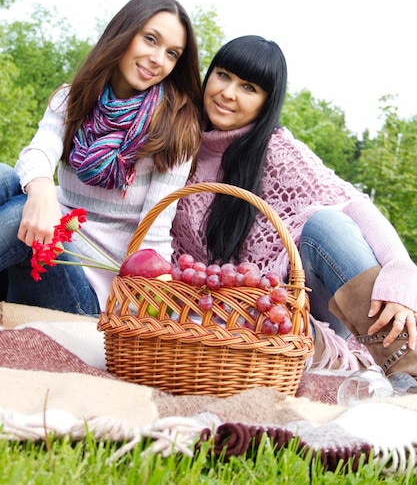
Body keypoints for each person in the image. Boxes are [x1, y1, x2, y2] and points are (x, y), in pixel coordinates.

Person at [170, 34, 417, 376]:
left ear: (265, 103)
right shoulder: (179, 148)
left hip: (302, 308)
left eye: (249, 87)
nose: (228, 93)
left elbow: (353, 203)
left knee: (325, 224)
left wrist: (401, 266)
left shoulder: (277, 151)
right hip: (227, 313)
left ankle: (407, 370)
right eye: (223, 75)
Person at [0, 0, 203, 315]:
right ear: (124, 32)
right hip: (50, 244)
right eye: (150, 39)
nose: (158, 59)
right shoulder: (73, 99)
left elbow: (153, 235)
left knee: (18, 214)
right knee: (5, 176)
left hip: (91, 297)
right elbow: (39, 151)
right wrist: (41, 191)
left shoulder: (175, 128)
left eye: (172, 53)